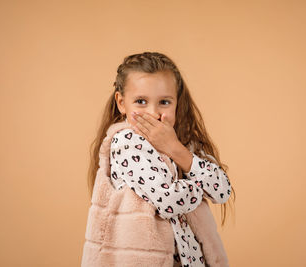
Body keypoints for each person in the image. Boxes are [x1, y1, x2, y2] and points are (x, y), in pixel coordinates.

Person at [83, 51, 236, 267]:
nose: (153, 113)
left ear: (177, 103)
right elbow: (169, 201)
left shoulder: (182, 143)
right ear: (121, 102)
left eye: (164, 102)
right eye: (141, 101)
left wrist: (175, 148)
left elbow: (221, 191)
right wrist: (200, 183)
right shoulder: (126, 142)